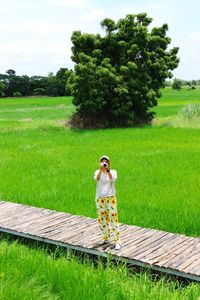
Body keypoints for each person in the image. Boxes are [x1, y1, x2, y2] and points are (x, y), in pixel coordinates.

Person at [93, 155, 122, 250]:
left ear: (109, 163)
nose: (104, 163)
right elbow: (96, 179)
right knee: (102, 219)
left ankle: (117, 241)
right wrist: (101, 170)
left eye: (106, 162)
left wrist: (108, 170)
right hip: (100, 198)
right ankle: (105, 238)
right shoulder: (98, 172)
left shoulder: (113, 172)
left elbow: (113, 179)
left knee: (113, 219)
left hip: (110, 197)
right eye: (102, 162)